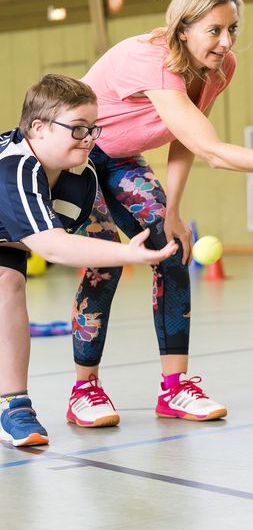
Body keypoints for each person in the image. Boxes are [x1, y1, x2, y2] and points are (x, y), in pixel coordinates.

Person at [68, 0, 253, 428]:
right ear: (183, 28)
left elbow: (186, 139)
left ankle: (175, 389)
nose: (227, 41)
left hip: (125, 158)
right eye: (215, 30)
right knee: (106, 263)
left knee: (171, 252)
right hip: (78, 159)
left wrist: (172, 210)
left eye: (232, 29)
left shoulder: (218, 68)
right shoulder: (151, 59)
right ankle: (84, 390)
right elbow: (212, 149)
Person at [0, 74, 178, 447]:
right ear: (39, 128)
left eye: (92, 129)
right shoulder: (17, 168)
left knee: (7, 281)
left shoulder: (80, 175)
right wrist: (127, 253)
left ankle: (14, 406)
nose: (89, 139)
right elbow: (52, 247)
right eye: (78, 130)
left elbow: (61, 239)